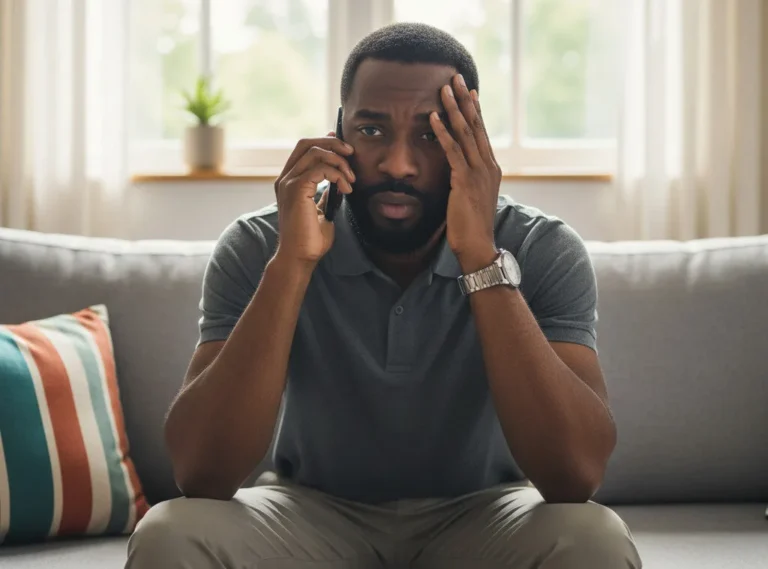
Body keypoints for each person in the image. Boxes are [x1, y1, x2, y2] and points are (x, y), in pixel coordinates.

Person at [126, 22, 641, 569]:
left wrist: (479, 256)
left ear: (472, 142)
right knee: (170, 533)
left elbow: (575, 474)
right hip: (310, 511)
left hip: (486, 513)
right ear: (338, 130)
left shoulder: (541, 247)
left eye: (430, 134)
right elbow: (200, 472)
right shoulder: (260, 244)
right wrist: (291, 265)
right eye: (372, 132)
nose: (399, 165)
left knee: (593, 537)